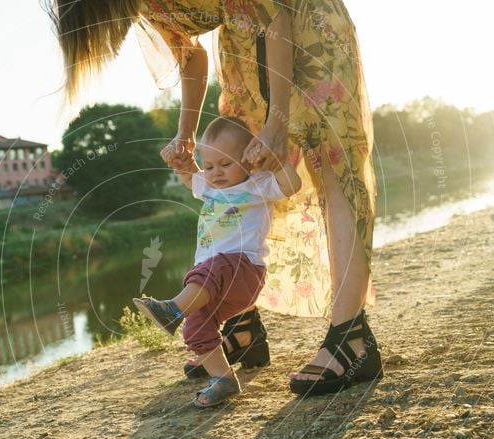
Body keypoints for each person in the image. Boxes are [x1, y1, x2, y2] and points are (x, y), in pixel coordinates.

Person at [45, 0, 383, 396]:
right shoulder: (145, 6)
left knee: (331, 166)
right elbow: (190, 55)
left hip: (301, 31)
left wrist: (277, 123)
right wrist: (185, 133)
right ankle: (242, 329)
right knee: (243, 164)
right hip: (242, 46)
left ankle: (351, 337)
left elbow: (276, 17)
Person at [133, 116, 301, 407]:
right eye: (209, 166)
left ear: (248, 160)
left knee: (211, 268)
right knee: (197, 324)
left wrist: (276, 160)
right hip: (212, 279)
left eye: (225, 164)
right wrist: (183, 164)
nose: (216, 173)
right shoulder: (209, 187)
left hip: (243, 271)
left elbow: (292, 184)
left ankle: (172, 309)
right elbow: (190, 178)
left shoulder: (258, 184)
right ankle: (222, 378)